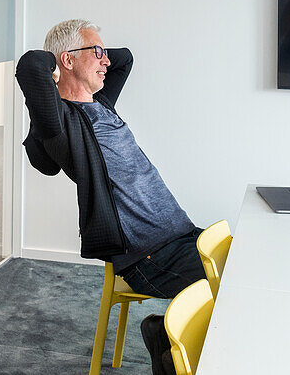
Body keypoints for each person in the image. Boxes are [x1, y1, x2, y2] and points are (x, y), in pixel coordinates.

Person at [15, 19, 205, 373]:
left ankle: (164, 337)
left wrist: (90, 52)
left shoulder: (102, 103)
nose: (106, 61)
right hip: (147, 254)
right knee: (234, 286)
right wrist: (60, 62)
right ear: (66, 60)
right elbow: (29, 65)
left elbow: (125, 59)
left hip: (182, 235)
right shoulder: (61, 124)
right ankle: (172, 350)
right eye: (97, 52)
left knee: (246, 264)